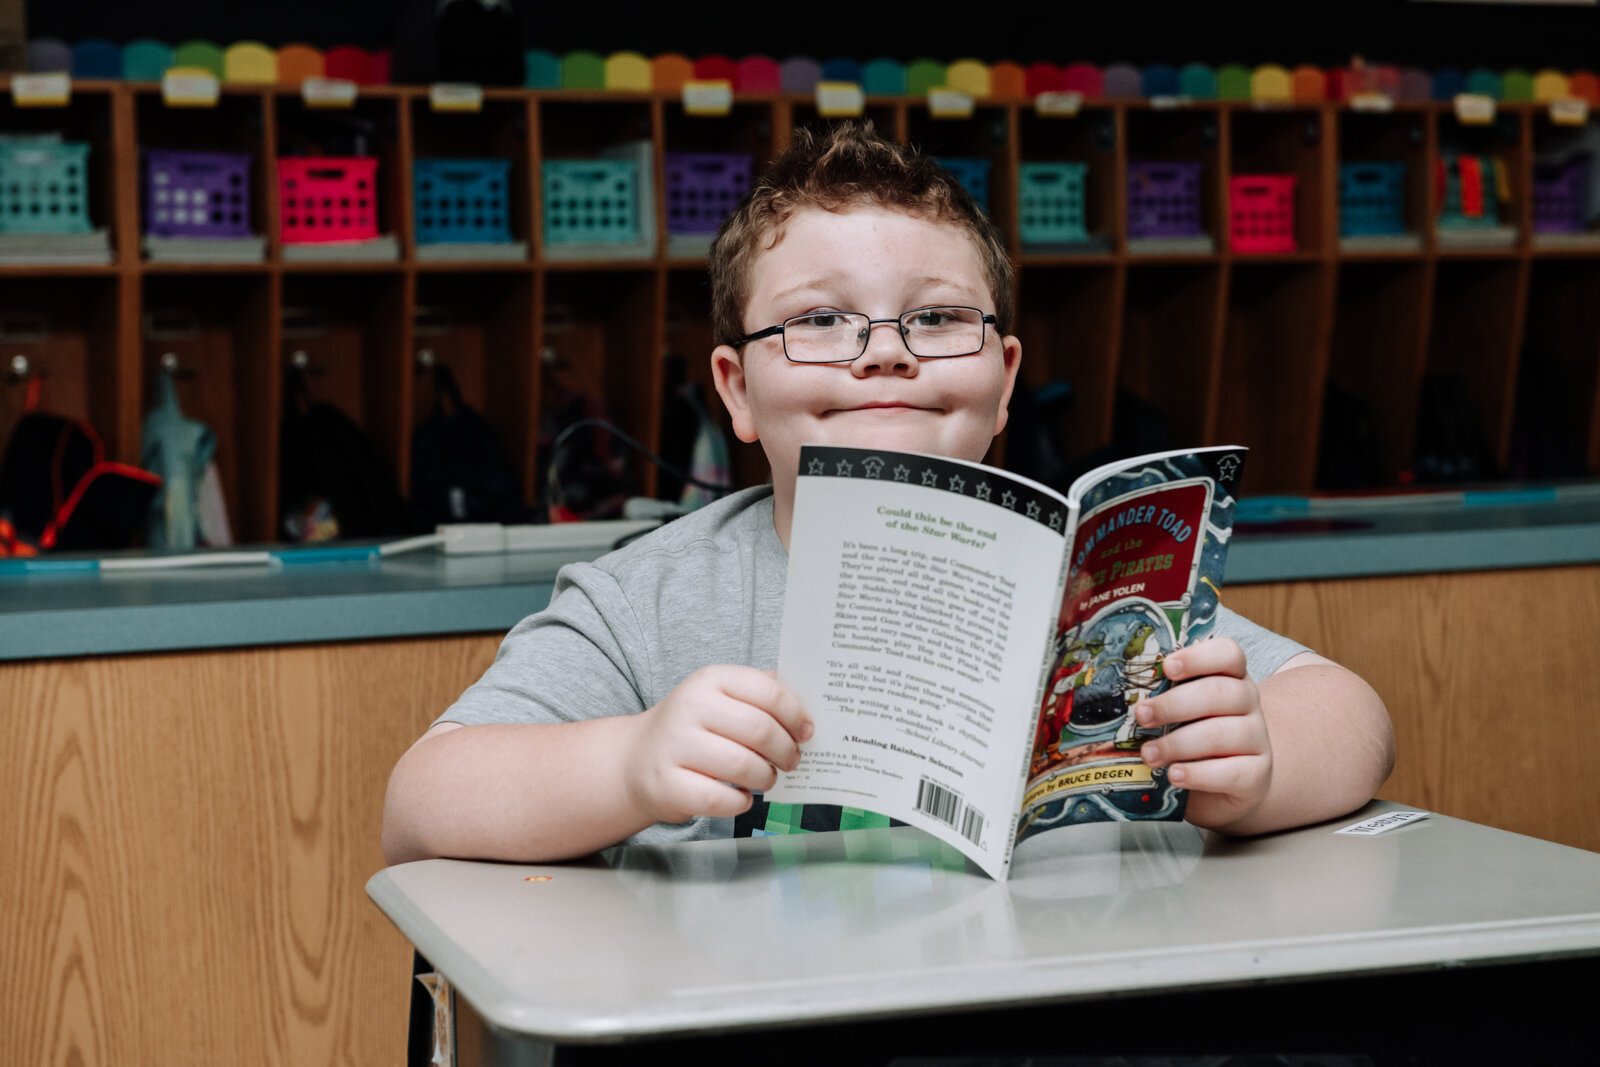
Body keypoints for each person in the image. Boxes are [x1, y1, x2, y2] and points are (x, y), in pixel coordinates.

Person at [382, 122, 1394, 865]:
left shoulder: (1088, 574)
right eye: (820, 321)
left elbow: (1350, 713)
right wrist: (629, 764)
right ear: (736, 390)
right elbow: (422, 800)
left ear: (1002, 381)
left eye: (936, 318)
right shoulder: (649, 599)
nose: (883, 357)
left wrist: (1252, 763)